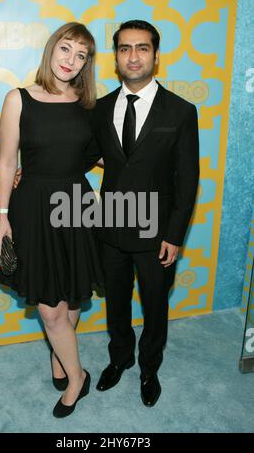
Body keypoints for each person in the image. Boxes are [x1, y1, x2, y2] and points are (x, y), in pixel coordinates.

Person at [0, 22, 104, 418]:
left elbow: (99, 155)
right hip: (34, 207)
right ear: (51, 49)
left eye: (81, 55)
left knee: (72, 294)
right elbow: (7, 162)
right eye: (66, 49)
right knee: (50, 308)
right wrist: (1, 216)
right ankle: (78, 377)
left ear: (87, 63)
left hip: (77, 205)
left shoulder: (89, 107)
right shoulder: (18, 99)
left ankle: (59, 359)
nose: (71, 60)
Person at [85, 20, 199, 407]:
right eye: (124, 49)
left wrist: (174, 234)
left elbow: (188, 179)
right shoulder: (98, 109)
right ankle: (120, 359)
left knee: (155, 303)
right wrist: (30, 168)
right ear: (115, 56)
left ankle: (150, 367)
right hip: (111, 227)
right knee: (115, 302)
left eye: (142, 48)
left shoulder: (182, 111)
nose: (133, 56)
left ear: (155, 54)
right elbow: (81, 154)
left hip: (157, 234)